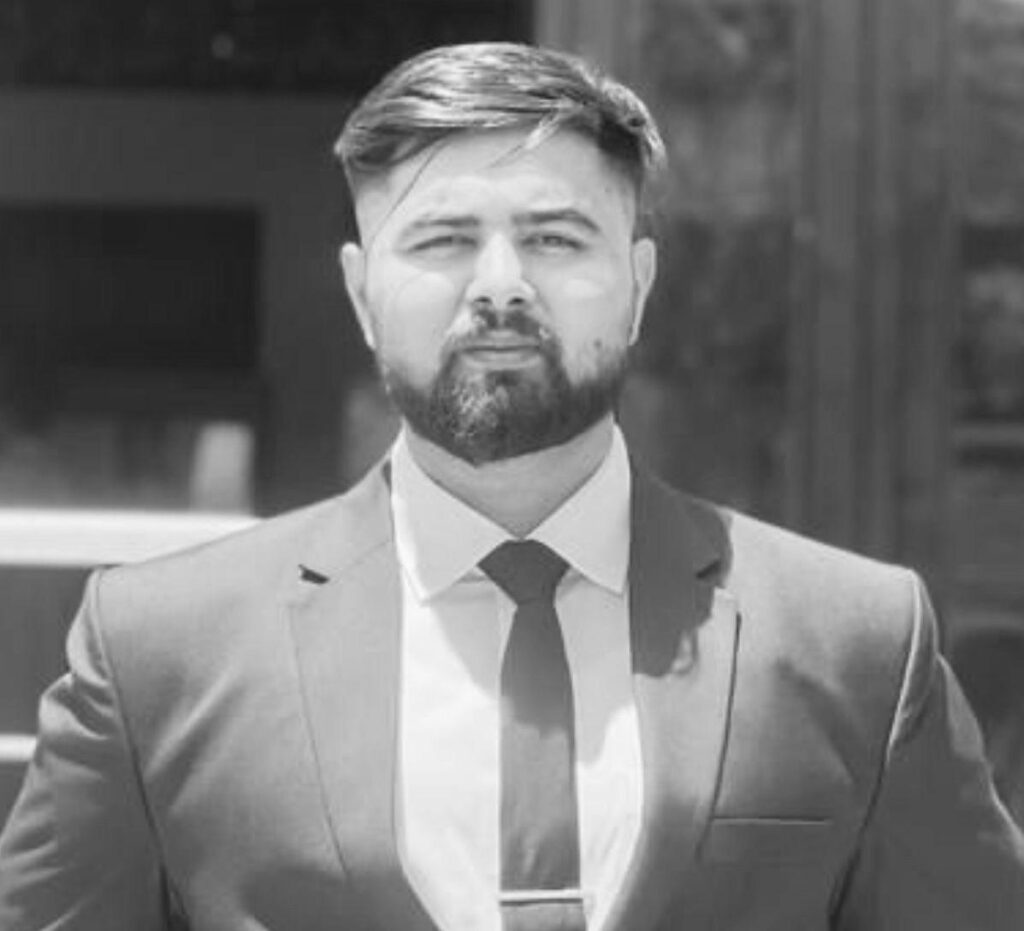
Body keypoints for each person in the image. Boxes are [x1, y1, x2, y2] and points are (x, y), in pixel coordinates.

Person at [1, 41, 1022, 931]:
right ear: (361, 294)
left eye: (554, 238)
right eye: (442, 240)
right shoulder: (158, 650)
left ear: (638, 285)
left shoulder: (855, 641)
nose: (499, 284)